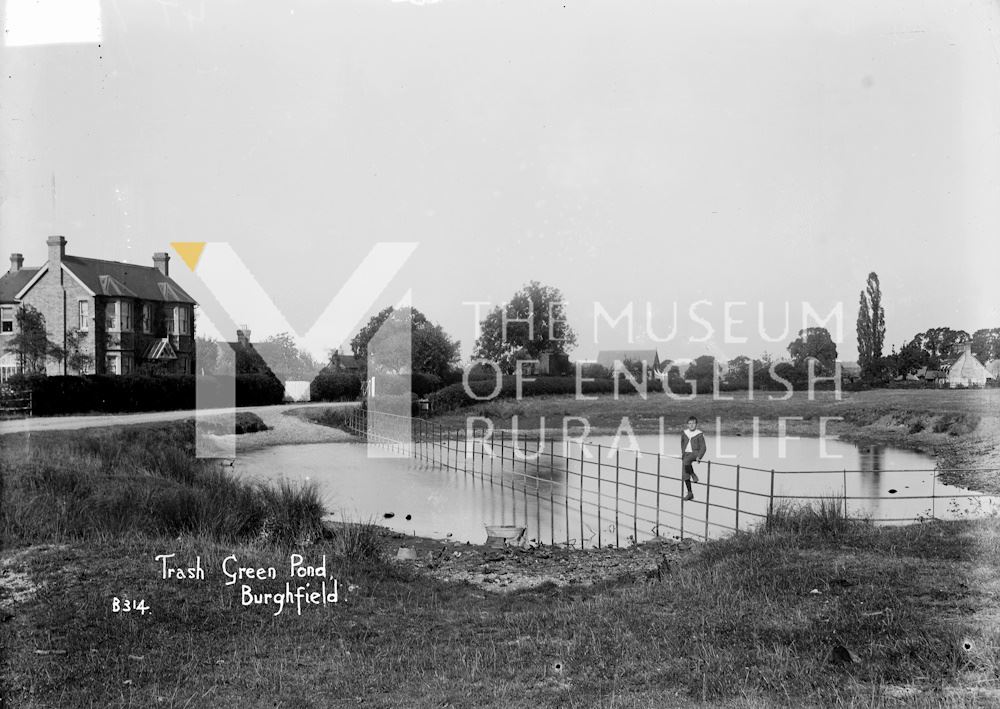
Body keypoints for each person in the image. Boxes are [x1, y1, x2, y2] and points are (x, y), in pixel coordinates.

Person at [680, 415, 706, 501]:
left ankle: (693, 475)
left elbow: (703, 447)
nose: (691, 425)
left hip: (695, 453)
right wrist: (683, 453)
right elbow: (682, 443)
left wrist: (699, 456)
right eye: (690, 423)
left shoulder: (699, 434)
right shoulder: (684, 433)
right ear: (687, 424)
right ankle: (690, 493)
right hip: (686, 454)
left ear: (696, 424)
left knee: (686, 461)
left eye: (693, 423)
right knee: (684, 473)